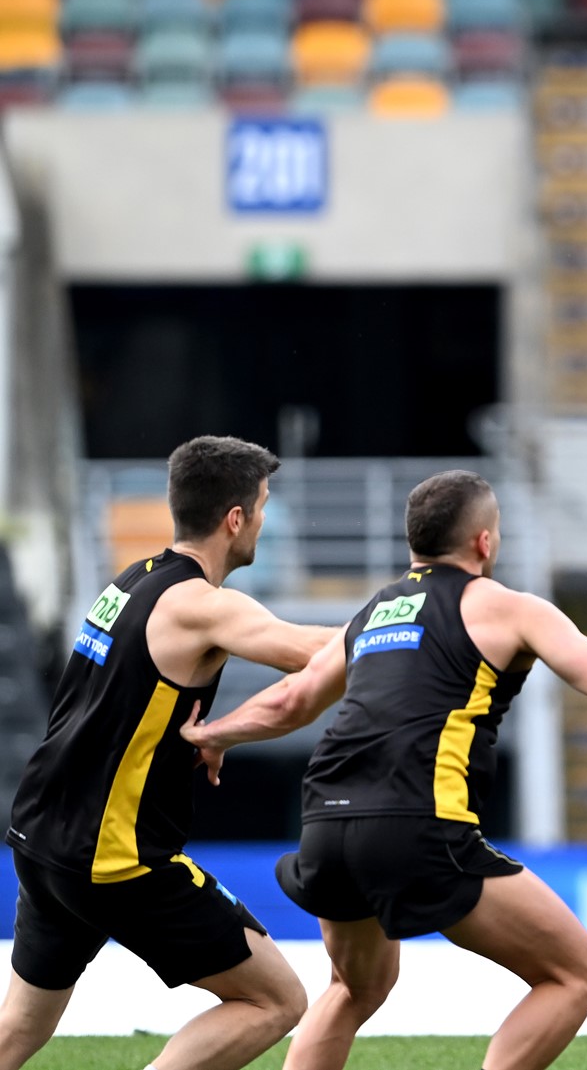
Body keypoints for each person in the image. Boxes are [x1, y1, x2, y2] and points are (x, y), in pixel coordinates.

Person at [179, 469, 587, 1070]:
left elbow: (292, 701)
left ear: (414, 545)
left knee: (354, 988)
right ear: (484, 542)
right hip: (417, 828)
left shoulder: (374, 613)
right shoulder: (510, 609)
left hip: (324, 824)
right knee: (578, 973)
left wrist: (216, 734)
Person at [0, 435, 341, 1070]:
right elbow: (309, 651)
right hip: (113, 860)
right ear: (235, 518)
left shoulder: (130, 581)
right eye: (263, 506)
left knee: (18, 1027)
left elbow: (113, 706)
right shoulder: (200, 605)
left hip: (41, 837)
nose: (264, 521)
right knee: (277, 1000)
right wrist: (417, 632)